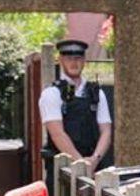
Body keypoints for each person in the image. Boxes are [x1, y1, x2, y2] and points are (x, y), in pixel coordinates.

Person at [40, 38, 113, 184]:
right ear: (60, 59)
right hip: (62, 172)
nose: (74, 62)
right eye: (69, 58)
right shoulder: (51, 93)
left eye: (78, 58)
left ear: (84, 60)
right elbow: (57, 134)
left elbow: (106, 131)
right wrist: (81, 163)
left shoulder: (96, 93)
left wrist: (94, 160)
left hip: (94, 168)